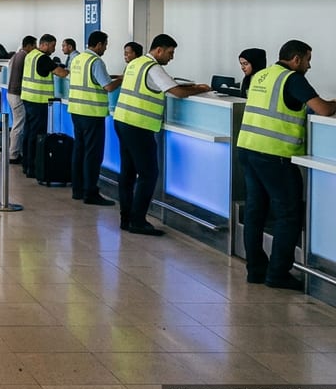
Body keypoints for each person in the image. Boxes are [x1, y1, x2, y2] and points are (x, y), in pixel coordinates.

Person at [237, 40, 336, 290]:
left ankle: (256, 270)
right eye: (307, 60)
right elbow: (323, 110)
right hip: (274, 155)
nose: (309, 65)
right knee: (289, 214)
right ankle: (278, 273)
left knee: (255, 212)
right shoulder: (292, 78)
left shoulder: (262, 76)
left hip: (248, 148)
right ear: (295, 59)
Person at [113, 34, 210, 236]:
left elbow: (167, 85)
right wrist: (199, 89)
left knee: (128, 173)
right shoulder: (153, 67)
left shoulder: (135, 63)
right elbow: (177, 92)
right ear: (159, 50)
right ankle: (138, 221)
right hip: (139, 125)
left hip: (123, 120)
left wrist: (188, 87)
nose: (171, 57)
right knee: (148, 174)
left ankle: (126, 218)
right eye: (170, 52)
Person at [66, 32, 122, 205]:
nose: (105, 48)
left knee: (79, 151)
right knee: (93, 154)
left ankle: (78, 190)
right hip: (92, 113)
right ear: (98, 45)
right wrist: (122, 79)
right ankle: (90, 192)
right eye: (105, 45)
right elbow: (108, 87)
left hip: (76, 111)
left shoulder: (77, 59)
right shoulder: (96, 61)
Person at [20, 34, 70, 177]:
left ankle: (26, 164)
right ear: (45, 44)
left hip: (28, 98)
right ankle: (33, 167)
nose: (54, 49)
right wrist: (69, 71)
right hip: (38, 100)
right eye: (53, 46)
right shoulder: (43, 58)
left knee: (28, 133)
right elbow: (61, 73)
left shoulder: (31, 55)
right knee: (36, 135)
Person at [5, 36, 36, 165]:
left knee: (17, 123)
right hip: (17, 94)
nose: (35, 48)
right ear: (28, 46)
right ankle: (13, 154)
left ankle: (15, 152)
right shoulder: (25, 57)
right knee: (19, 124)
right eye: (34, 46)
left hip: (11, 93)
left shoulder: (15, 56)